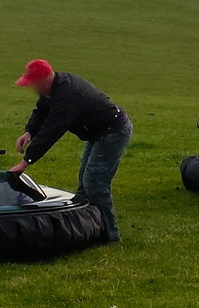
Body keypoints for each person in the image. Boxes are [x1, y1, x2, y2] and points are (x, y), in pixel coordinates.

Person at [9, 59, 131, 244]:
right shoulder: (52, 89)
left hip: (113, 132)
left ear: (44, 79)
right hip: (97, 133)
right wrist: (29, 131)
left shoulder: (67, 94)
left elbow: (52, 130)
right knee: (84, 182)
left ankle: (110, 235)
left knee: (95, 183)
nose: (31, 87)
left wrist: (25, 162)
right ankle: (88, 228)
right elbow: (41, 111)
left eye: (33, 82)